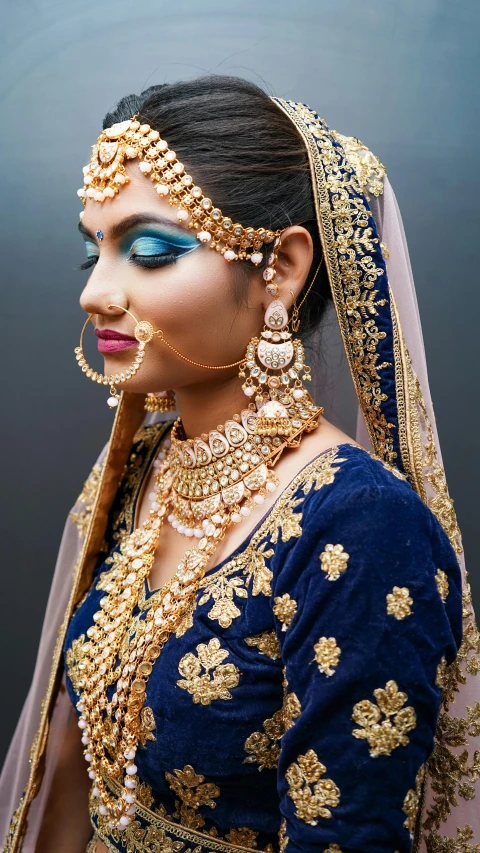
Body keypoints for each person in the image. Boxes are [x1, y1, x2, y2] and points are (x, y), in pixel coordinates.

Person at [1, 75, 478, 853]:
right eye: (95, 250)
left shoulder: (359, 526)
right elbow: (67, 775)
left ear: (279, 269)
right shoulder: (148, 468)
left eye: (149, 250)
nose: (95, 291)